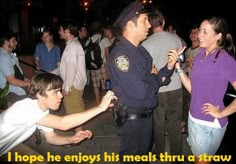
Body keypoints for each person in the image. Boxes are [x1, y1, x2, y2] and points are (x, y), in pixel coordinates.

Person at [110, 1, 183, 163]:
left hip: (145, 117)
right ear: (130, 25)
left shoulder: (140, 51)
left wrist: (169, 66)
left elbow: (157, 79)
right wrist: (152, 78)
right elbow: (141, 91)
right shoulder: (121, 55)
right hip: (133, 121)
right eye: (144, 20)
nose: (149, 24)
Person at [0, 73, 116, 163]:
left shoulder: (43, 111)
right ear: (40, 94)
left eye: (60, 91)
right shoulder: (26, 108)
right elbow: (63, 123)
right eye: (56, 92)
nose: (61, 96)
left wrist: (72, 139)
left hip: (9, 146)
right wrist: (100, 107)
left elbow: (51, 137)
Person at [174, 16, 236, 164]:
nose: (199, 35)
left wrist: (221, 112)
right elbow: (194, 90)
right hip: (193, 118)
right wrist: (178, 68)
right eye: (200, 30)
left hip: (208, 124)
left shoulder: (225, 60)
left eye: (204, 31)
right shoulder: (201, 54)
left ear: (218, 36)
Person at [142, 10, 184, 160]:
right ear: (163, 22)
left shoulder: (145, 44)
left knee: (158, 123)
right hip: (175, 88)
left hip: (157, 88)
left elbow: (146, 69)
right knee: (175, 123)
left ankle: (159, 151)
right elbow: (181, 60)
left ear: (149, 24)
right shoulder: (176, 39)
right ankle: (176, 155)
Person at [56, 20, 87, 134]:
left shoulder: (73, 46)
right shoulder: (71, 45)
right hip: (73, 84)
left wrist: (67, 87)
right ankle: (77, 136)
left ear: (67, 31)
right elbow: (66, 67)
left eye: (60, 30)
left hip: (72, 85)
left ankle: (77, 138)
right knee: (75, 112)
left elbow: (71, 68)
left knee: (75, 113)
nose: (59, 32)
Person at [0, 34, 30, 105]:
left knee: (39, 92)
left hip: (16, 86)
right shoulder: (3, 57)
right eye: (13, 41)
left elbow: (18, 76)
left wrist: (32, 81)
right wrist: (32, 84)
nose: (16, 43)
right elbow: (12, 81)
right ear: (6, 42)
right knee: (32, 102)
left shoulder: (9, 55)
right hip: (8, 91)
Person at [181, 24, 200, 134]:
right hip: (187, 83)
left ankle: (188, 129)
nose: (193, 34)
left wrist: (192, 66)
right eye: (191, 32)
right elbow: (186, 68)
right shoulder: (188, 51)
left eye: (196, 32)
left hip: (197, 85)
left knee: (192, 107)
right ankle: (183, 126)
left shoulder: (203, 50)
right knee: (185, 105)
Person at [90, 21, 111, 105]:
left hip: (92, 67)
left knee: (95, 86)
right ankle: (107, 104)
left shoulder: (90, 39)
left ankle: (98, 103)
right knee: (106, 86)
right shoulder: (104, 39)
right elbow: (107, 55)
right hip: (102, 66)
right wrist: (108, 68)